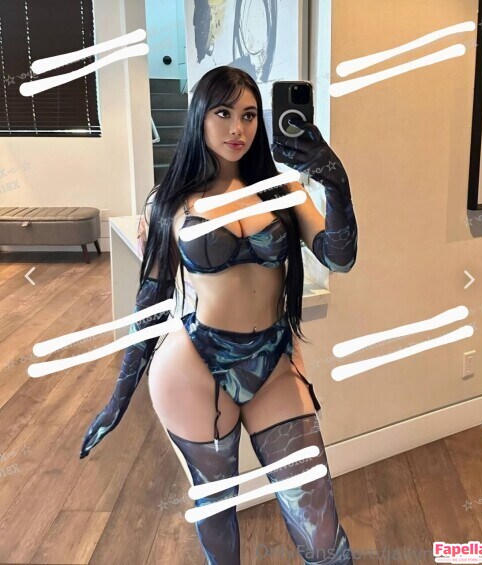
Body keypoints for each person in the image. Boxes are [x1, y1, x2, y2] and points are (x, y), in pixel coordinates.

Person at [80, 65, 358, 565]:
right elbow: (151, 300)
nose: (237, 129)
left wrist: (335, 182)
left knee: (321, 534)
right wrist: (117, 398)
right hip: (194, 367)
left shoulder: (284, 192)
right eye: (223, 113)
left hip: (273, 362)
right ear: (199, 118)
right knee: (217, 510)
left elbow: (340, 258)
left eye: (249, 115)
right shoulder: (169, 203)